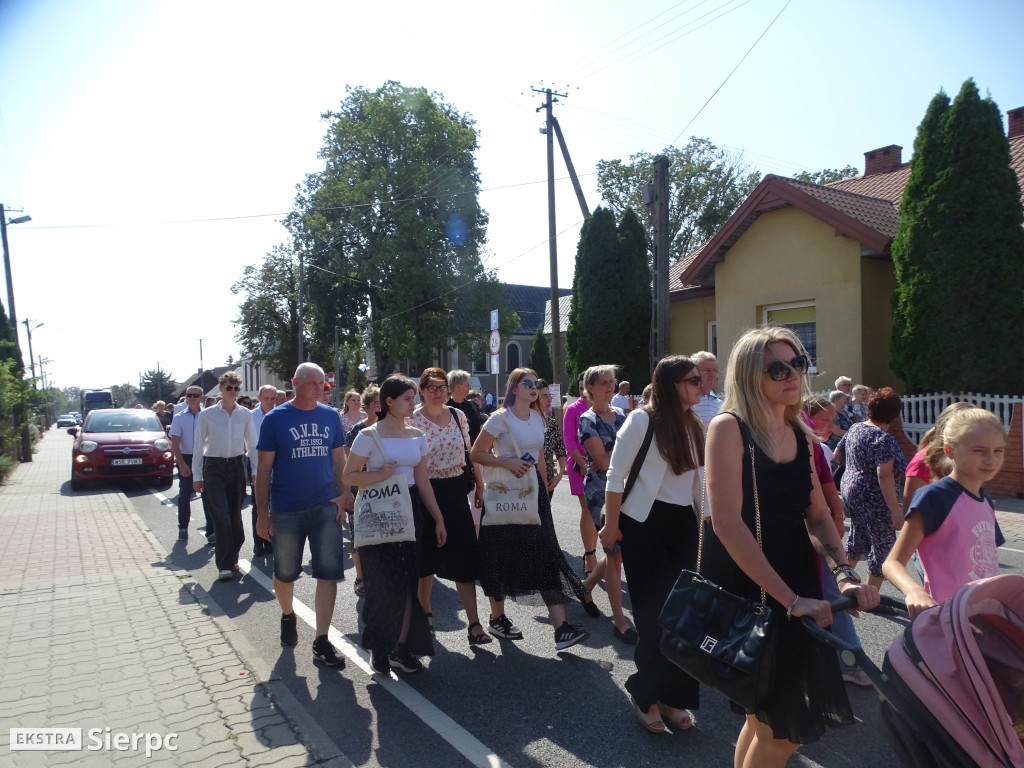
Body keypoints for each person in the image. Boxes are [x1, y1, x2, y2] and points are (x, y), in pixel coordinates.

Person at [704, 326, 879, 764]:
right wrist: (791, 599)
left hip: (796, 579)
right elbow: (726, 524)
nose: (792, 374)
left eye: (797, 362)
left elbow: (818, 516)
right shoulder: (728, 428)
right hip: (752, 585)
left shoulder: (801, 434)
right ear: (748, 375)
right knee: (784, 732)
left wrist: (844, 576)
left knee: (763, 720)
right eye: (776, 368)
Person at [599, 356, 705, 734]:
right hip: (643, 523)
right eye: (693, 379)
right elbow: (615, 474)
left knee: (681, 619)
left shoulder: (695, 425)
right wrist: (611, 526)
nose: (700, 383)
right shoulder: (642, 419)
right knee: (652, 615)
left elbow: (700, 486)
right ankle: (646, 695)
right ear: (672, 383)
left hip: (683, 525)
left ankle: (674, 696)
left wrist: (711, 528)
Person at [470, 367, 590, 651]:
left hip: (533, 492)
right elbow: (476, 453)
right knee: (499, 553)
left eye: (536, 383)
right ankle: (497, 617)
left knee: (545, 552)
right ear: (514, 389)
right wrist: (507, 462)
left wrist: (546, 483)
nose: (534, 387)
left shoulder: (539, 417)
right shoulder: (500, 418)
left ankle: (561, 628)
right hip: (504, 493)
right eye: (528, 383)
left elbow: (538, 457)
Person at [343, 375, 447, 674]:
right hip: (379, 510)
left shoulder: (417, 435)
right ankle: (380, 645)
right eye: (407, 399)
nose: (413, 403)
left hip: (411, 509)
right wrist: (379, 474)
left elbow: (424, 481)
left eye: (413, 398)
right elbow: (349, 476)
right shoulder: (368, 436)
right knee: (380, 583)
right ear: (389, 401)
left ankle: (400, 648)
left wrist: (438, 518)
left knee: (406, 582)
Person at [255, 363, 351, 667]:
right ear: (295, 383)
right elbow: (264, 470)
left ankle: (322, 640)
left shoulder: (331, 416)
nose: (317, 388)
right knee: (285, 573)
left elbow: (339, 458)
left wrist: (344, 494)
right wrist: (262, 514)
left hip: (325, 506)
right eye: (310, 383)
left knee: (328, 573)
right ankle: (288, 613)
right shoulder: (274, 420)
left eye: (321, 384)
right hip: (286, 509)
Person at [883, 407, 1006, 617]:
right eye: (979, 450)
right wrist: (914, 591)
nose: (990, 460)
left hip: (983, 619)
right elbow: (892, 563)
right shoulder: (934, 497)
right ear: (949, 451)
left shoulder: (986, 501)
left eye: (998, 451)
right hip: (946, 620)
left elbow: (986, 564)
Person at [411, 368, 491, 646]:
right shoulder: (411, 420)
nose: (438, 392)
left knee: (465, 559)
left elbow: (470, 453)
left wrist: (479, 485)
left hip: (456, 491)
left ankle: (474, 624)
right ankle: (427, 618)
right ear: (421, 390)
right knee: (426, 561)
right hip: (424, 493)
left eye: (442, 387)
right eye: (431, 387)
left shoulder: (459, 416)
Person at [803, 395, 871, 687]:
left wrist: (836, 517)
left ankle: (848, 657)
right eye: (825, 420)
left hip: (817, 531)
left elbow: (826, 489)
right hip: (804, 532)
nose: (831, 425)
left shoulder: (816, 445)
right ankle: (844, 657)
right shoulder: (807, 440)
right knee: (823, 594)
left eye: (833, 419)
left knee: (831, 591)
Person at [578, 365, 634, 644]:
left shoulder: (623, 414)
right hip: (601, 493)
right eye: (603, 382)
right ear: (590, 388)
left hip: (627, 491)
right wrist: (623, 452)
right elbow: (601, 462)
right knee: (615, 554)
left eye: (611, 382)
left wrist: (616, 451)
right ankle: (620, 621)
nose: (610, 386)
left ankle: (586, 587)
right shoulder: (587, 420)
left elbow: (632, 454)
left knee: (618, 551)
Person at [834, 387, 907, 589]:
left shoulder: (855, 429)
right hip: (873, 498)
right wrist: (895, 512)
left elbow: (836, 456)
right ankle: (871, 595)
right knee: (883, 545)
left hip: (850, 491)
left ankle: (839, 584)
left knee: (859, 537)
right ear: (893, 415)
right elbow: (884, 475)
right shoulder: (883, 439)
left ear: (870, 409)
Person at [193, 371, 259, 581]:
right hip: (213, 466)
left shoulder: (245, 414)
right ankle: (224, 564)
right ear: (220, 389)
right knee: (221, 517)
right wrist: (197, 474)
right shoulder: (207, 414)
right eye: (228, 388)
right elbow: (198, 445)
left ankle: (233, 557)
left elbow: (252, 445)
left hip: (237, 465)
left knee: (235, 517)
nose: (232, 392)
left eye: (236, 388)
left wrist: (255, 471)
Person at [344, 385, 381, 597]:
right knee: (359, 535)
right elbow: (349, 462)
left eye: (381, 402)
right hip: (362, 488)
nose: (379, 406)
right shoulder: (357, 431)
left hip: (386, 489)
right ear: (366, 407)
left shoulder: (392, 428)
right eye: (375, 403)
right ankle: (361, 577)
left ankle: (379, 575)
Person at [169, 386, 214, 543]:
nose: (192, 398)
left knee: (208, 495)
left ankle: (211, 530)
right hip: (187, 457)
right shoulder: (179, 417)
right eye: (189, 395)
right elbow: (175, 443)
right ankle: (183, 527)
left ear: (201, 397)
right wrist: (181, 464)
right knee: (184, 494)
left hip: (206, 456)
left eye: (195, 395)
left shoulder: (209, 415)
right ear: (186, 397)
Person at [563, 371, 597, 577]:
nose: (584, 389)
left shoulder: (601, 408)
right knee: (588, 509)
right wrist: (582, 463)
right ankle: (589, 554)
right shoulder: (573, 409)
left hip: (600, 465)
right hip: (579, 466)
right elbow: (569, 441)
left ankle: (593, 552)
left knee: (597, 511)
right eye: (581, 385)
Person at [249, 384, 278, 557]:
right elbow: (249, 447)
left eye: (273, 398)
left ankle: (271, 541)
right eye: (266, 398)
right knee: (259, 505)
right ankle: (258, 542)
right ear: (259, 398)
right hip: (257, 467)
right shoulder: (251, 417)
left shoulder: (280, 415)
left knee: (275, 505)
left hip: (278, 467)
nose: (269, 402)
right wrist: (253, 471)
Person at [534, 380, 566, 497]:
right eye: (544, 396)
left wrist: (558, 475)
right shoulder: (526, 422)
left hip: (548, 483)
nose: (549, 400)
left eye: (550, 395)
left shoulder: (552, 423)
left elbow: (561, 451)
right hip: (529, 483)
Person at [446, 369, 485, 445]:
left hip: (474, 452)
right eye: (467, 385)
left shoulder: (472, 406)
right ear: (458, 387)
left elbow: (480, 428)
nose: (470, 388)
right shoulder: (446, 409)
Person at [690, 350, 722, 428]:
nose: (712, 375)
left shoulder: (720, 405)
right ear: (695, 373)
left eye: (714, 370)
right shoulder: (689, 403)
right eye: (707, 371)